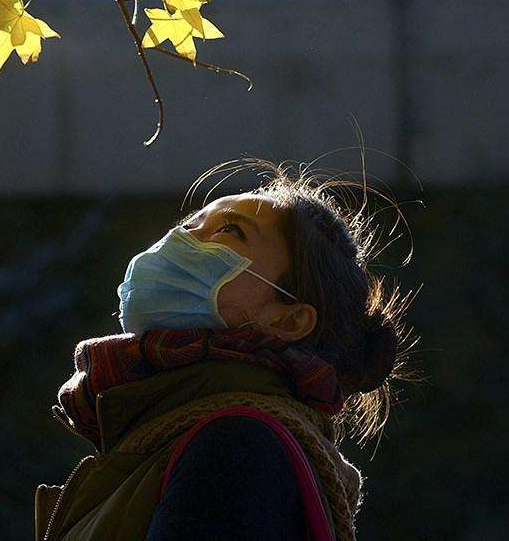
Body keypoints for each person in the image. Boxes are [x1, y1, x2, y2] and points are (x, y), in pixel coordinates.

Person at [34, 162, 411, 541]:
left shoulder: (239, 449)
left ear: (289, 320)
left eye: (229, 230)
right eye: (190, 224)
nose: (180, 238)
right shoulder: (158, 436)